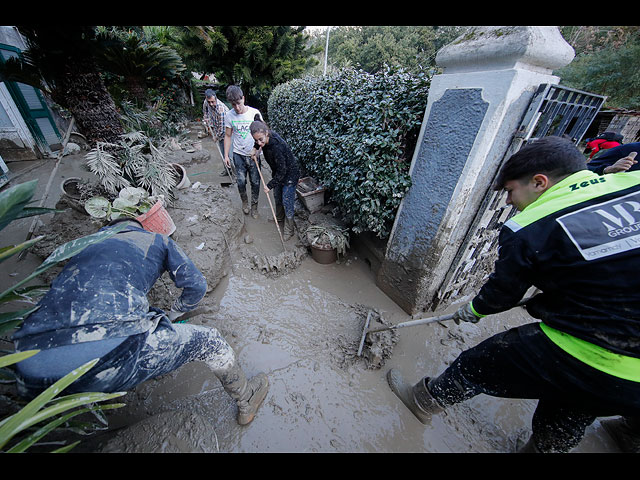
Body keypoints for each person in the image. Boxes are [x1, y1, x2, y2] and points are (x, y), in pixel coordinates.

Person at [386, 136, 640, 453]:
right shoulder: (632, 183)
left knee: (480, 363)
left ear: (539, 182)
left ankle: (424, 400)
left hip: (591, 348)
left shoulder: (530, 225)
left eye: (510, 191)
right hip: (634, 383)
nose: (508, 202)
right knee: (577, 402)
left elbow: (503, 294)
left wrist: (474, 310)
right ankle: (555, 447)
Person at [12, 218, 269, 426]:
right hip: (110, 351)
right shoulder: (154, 240)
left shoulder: (83, 247)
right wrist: (173, 314)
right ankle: (247, 400)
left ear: (107, 229)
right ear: (140, 227)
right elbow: (197, 286)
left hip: (25, 363)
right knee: (211, 342)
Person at [250, 116, 301, 240]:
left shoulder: (277, 146)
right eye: (256, 141)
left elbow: (282, 171)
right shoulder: (262, 137)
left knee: (287, 201)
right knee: (277, 197)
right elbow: (257, 142)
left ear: (266, 133)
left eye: (261, 140)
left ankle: (289, 229)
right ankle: (279, 218)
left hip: (289, 174)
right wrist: (254, 149)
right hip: (277, 171)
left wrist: (269, 185)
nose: (259, 143)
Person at [224, 85, 264, 218]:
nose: (237, 107)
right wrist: (226, 155)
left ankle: (255, 207)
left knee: (255, 182)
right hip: (238, 155)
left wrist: (258, 152)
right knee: (241, 181)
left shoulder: (254, 113)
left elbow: (263, 135)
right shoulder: (229, 115)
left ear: (243, 99)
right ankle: (245, 202)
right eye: (233, 104)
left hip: (253, 155)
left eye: (239, 103)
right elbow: (228, 136)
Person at [202, 89, 230, 177]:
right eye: (209, 102)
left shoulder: (221, 109)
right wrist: (206, 117)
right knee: (222, 153)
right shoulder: (206, 102)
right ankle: (227, 170)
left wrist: (216, 137)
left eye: (212, 102)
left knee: (228, 153)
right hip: (218, 128)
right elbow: (205, 110)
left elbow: (222, 129)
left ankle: (234, 172)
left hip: (227, 132)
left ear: (216, 99)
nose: (211, 104)